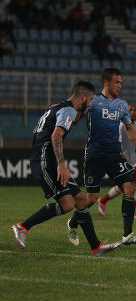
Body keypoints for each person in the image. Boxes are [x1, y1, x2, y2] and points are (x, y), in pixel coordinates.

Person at [11, 81, 121, 256]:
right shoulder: (68, 109)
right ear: (83, 97)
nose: (91, 102)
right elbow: (56, 135)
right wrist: (61, 164)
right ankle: (22, 227)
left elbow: (39, 131)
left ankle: (96, 247)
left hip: (48, 158)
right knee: (68, 204)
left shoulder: (56, 107)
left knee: (81, 201)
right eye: (91, 99)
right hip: (46, 160)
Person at [66, 67, 136, 246]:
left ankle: (127, 235)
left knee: (129, 188)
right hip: (95, 154)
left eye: (121, 82)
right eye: (117, 82)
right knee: (91, 198)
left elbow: (130, 130)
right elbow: (76, 116)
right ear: (106, 82)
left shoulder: (122, 105)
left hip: (114, 154)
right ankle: (73, 223)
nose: (120, 86)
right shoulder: (93, 101)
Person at [97, 103, 136, 218]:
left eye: (135, 110)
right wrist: (123, 159)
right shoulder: (120, 125)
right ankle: (103, 201)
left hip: (134, 160)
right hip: (122, 160)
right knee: (125, 186)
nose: (133, 112)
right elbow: (116, 145)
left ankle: (132, 211)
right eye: (130, 110)